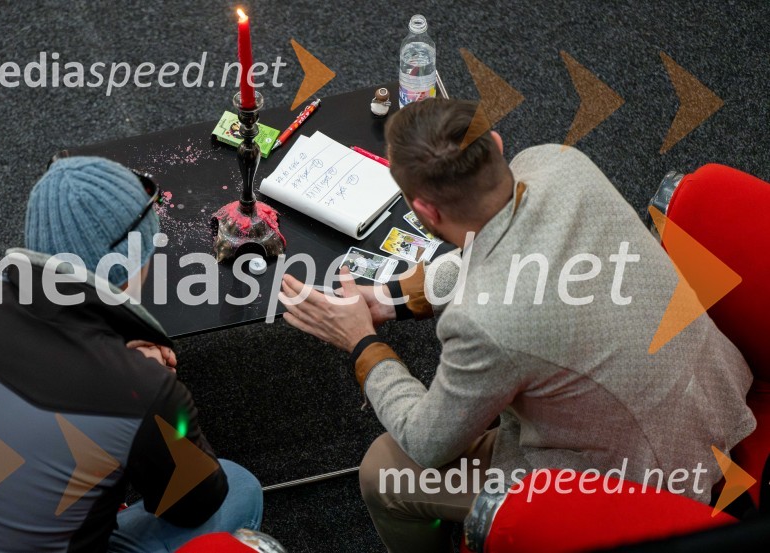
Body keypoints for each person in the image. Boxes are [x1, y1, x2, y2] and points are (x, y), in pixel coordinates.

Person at [278, 99, 756, 553]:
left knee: (384, 471)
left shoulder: (482, 324)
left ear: (425, 211)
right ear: (499, 145)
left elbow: (427, 443)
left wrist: (361, 342)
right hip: (716, 394)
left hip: (651, 482)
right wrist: (390, 298)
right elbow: (490, 250)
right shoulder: (559, 163)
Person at [0, 157, 262, 552]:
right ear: (133, 263)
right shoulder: (144, 389)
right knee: (239, 490)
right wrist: (133, 376)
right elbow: (195, 505)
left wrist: (112, 355)